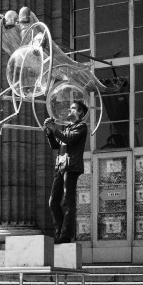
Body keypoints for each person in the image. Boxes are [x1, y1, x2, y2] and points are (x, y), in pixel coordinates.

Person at [44, 101, 88, 244]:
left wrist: (54, 128)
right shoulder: (67, 128)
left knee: (68, 202)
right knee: (53, 202)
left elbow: (68, 139)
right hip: (61, 167)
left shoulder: (81, 126)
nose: (70, 110)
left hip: (71, 167)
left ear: (80, 112)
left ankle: (66, 235)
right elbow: (56, 145)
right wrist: (50, 132)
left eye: (73, 108)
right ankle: (60, 233)